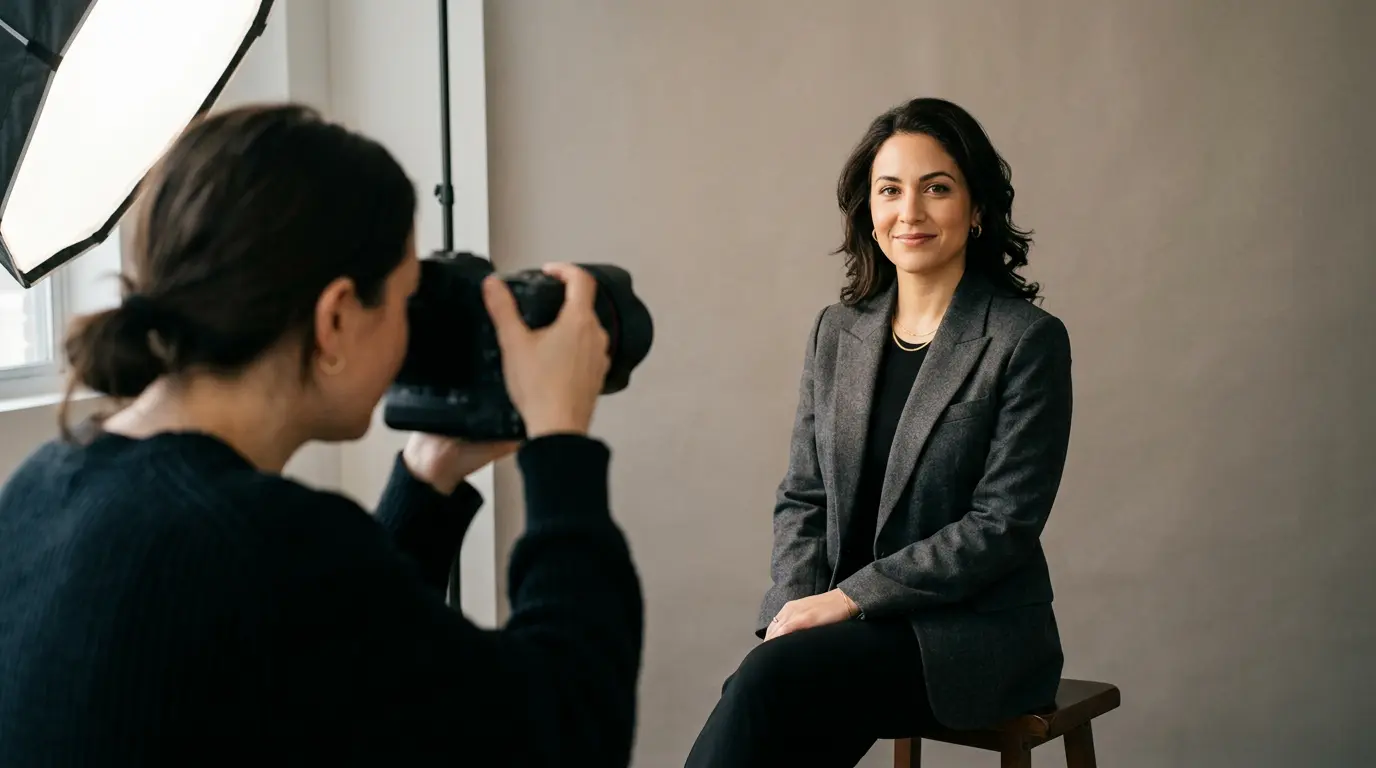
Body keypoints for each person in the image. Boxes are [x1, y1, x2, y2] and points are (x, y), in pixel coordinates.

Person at [0, 104, 642, 766]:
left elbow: (347, 663)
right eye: (403, 299)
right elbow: (571, 730)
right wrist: (561, 444)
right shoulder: (266, 543)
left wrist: (427, 478)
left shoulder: (47, 482)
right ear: (336, 318)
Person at [686, 97, 1074, 767]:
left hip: (966, 636)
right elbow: (803, 497)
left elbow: (1001, 526)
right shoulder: (837, 332)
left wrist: (845, 601)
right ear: (868, 208)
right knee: (774, 683)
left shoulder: (1024, 341)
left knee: (770, 689)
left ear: (977, 208)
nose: (910, 212)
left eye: (938, 189)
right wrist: (793, 609)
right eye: (889, 190)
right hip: (843, 634)